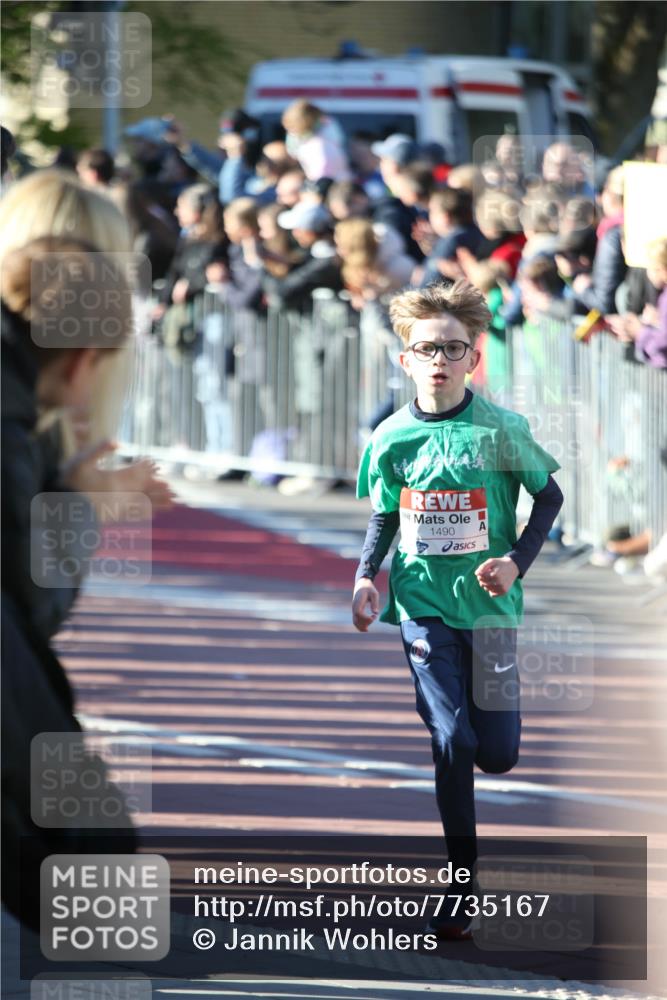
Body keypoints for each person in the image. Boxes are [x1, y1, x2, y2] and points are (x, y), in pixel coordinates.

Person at [352, 280, 563, 940]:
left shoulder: (500, 430)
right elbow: (384, 514)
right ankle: (461, 878)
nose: (438, 358)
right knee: (454, 738)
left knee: (496, 754)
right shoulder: (389, 437)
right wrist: (365, 577)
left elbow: (549, 499)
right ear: (405, 360)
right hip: (421, 606)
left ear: (472, 357)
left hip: (491, 611)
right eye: (425, 348)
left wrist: (513, 564)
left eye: (452, 347)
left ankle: (478, 754)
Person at [281, 100, 350, 182]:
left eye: (292, 127)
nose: (290, 133)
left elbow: (322, 180)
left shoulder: (319, 147)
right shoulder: (324, 139)